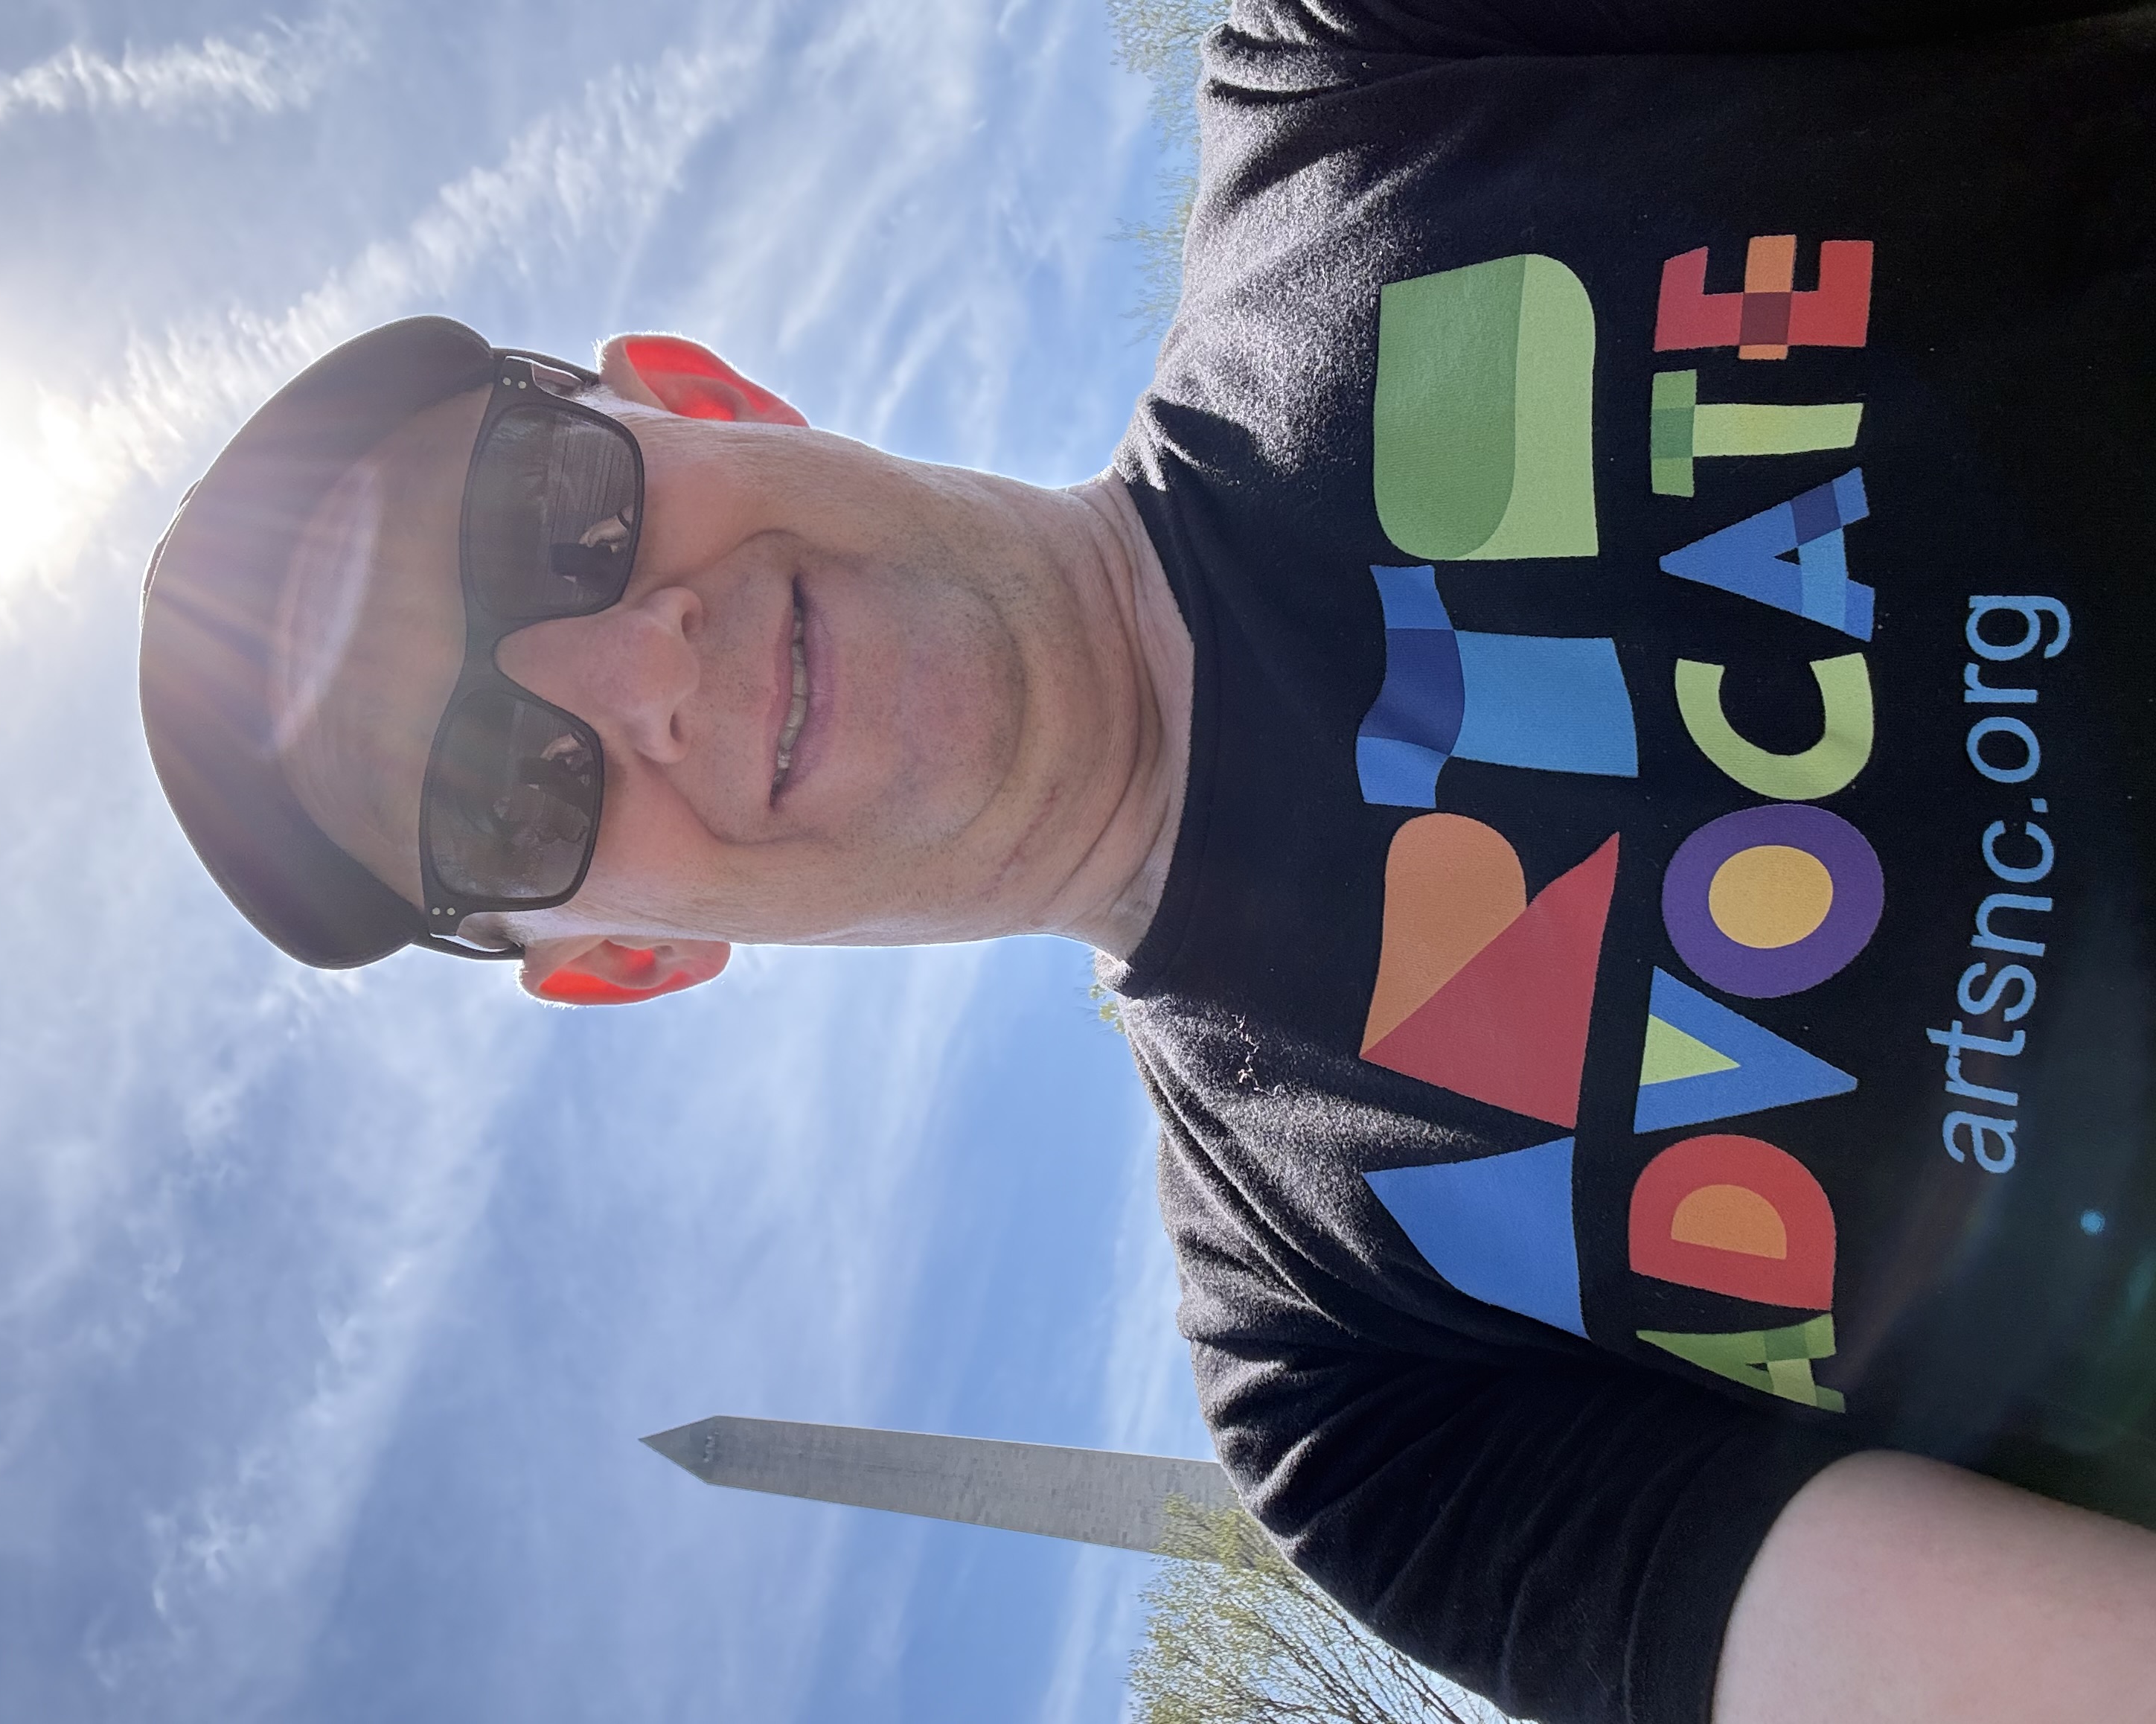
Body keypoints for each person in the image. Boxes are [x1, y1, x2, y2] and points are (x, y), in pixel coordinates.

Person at [138, 3, 2156, 1720]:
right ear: (632, 961)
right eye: (507, 791)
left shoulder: (1386, 70)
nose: (639, 665)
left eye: (543, 514)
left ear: (695, 391)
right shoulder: (1349, 1404)